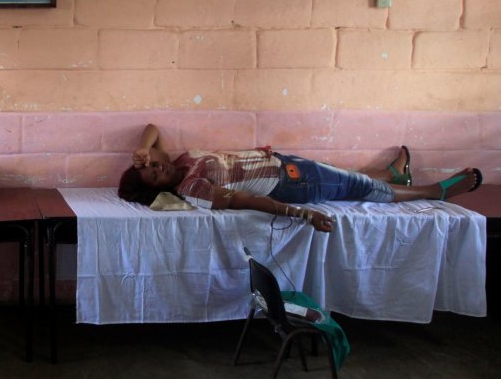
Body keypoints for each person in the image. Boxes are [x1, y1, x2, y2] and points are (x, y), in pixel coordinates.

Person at [117, 124, 483, 233]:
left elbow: (152, 129)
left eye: (151, 164)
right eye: (152, 175)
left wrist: (142, 149)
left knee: (347, 178)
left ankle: (393, 173)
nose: (157, 168)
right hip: (293, 184)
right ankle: (434, 191)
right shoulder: (192, 188)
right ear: (159, 189)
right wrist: (302, 214)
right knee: (362, 189)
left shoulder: (181, 160)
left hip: (285, 163)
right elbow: (250, 202)